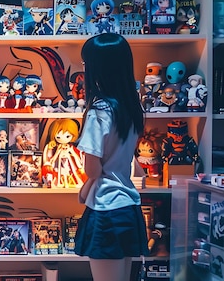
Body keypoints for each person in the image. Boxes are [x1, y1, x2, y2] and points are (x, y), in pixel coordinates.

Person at [74, 33, 148, 281]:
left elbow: (93, 170)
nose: (85, 69)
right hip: (127, 204)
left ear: (99, 68)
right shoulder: (131, 107)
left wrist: (85, 188)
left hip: (106, 207)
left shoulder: (99, 111)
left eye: (87, 63)